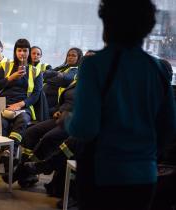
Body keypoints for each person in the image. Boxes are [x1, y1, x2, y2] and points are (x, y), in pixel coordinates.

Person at [64, 0, 176, 210]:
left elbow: (85, 128)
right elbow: (168, 128)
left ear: (108, 24)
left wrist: (66, 121)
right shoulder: (158, 70)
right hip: (144, 178)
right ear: (147, 27)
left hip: (102, 175)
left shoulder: (94, 65)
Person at [0, 38, 42, 163]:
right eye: (19, 50)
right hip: (2, 104)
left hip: (23, 107)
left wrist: (20, 104)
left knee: (23, 120)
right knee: (2, 123)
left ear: (29, 52)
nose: (22, 53)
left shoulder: (36, 71)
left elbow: (36, 95)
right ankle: (7, 154)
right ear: (15, 52)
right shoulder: (6, 65)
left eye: (25, 50)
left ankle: (9, 151)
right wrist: (10, 78)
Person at [43, 47, 83, 115]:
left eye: (73, 55)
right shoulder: (62, 67)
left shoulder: (76, 70)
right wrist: (57, 74)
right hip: (45, 97)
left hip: (56, 103)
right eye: (68, 55)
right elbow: (45, 74)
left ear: (79, 58)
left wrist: (49, 77)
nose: (70, 57)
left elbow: (65, 79)